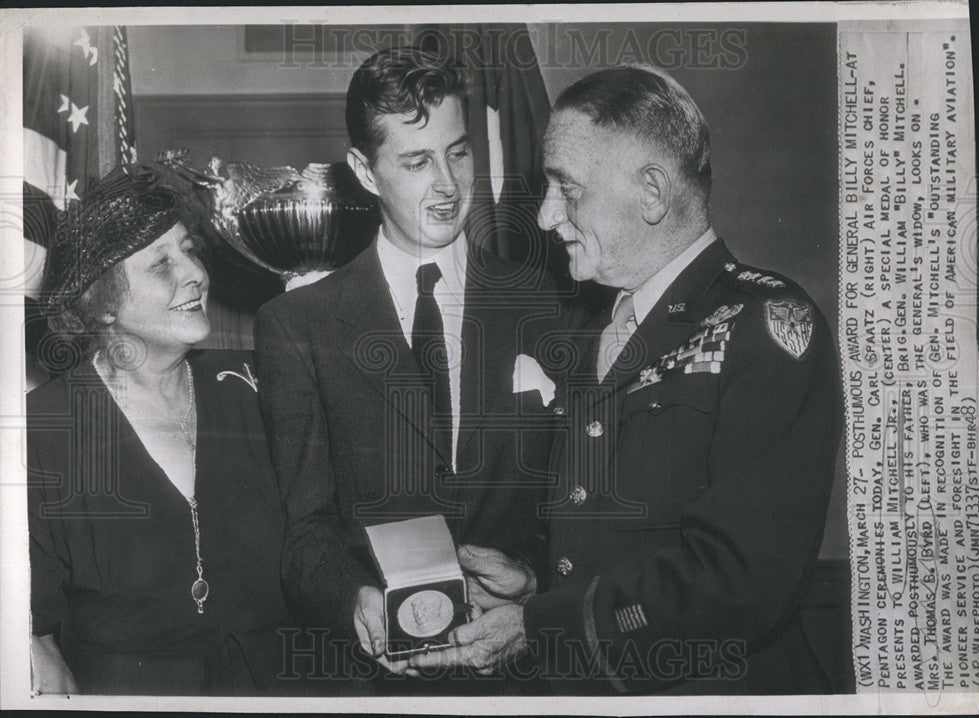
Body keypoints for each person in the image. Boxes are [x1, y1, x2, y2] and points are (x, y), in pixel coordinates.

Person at [409, 65, 842, 695]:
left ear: (652, 193)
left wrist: (543, 624)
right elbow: (603, 542)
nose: (549, 215)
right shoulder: (586, 329)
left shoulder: (764, 326)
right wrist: (534, 588)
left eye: (568, 188)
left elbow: (740, 582)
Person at [253, 47, 563, 691]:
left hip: (525, 675)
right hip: (377, 683)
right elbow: (305, 531)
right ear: (365, 171)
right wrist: (351, 604)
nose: (447, 185)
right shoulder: (298, 326)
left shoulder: (547, 303)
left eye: (457, 152)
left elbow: (575, 508)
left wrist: (534, 591)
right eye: (416, 161)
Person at [27, 165, 309, 695]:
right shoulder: (45, 430)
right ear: (100, 303)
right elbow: (34, 635)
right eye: (161, 264)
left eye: (189, 250)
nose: (195, 274)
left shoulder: (257, 385)